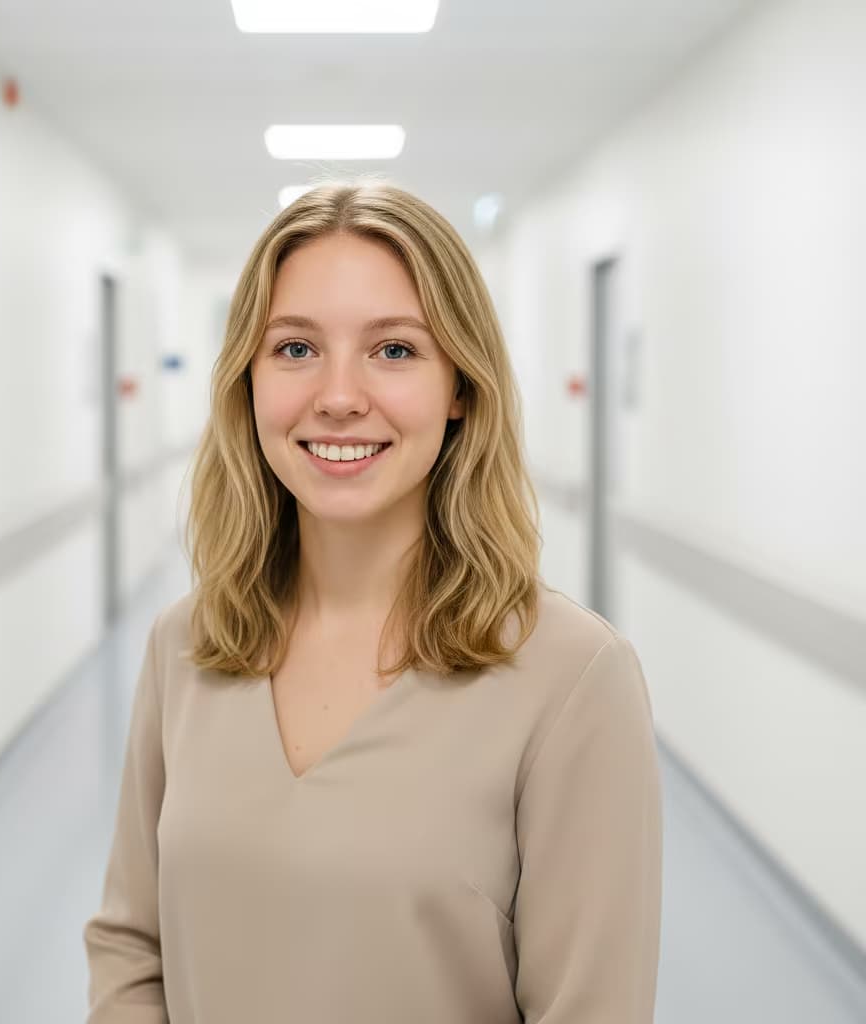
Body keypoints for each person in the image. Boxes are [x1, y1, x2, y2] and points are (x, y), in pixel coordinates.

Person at [82, 180, 662, 1023]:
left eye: (394, 350)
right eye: (294, 349)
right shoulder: (189, 645)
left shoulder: (572, 680)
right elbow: (133, 948)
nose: (340, 394)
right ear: (247, 378)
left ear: (461, 386)